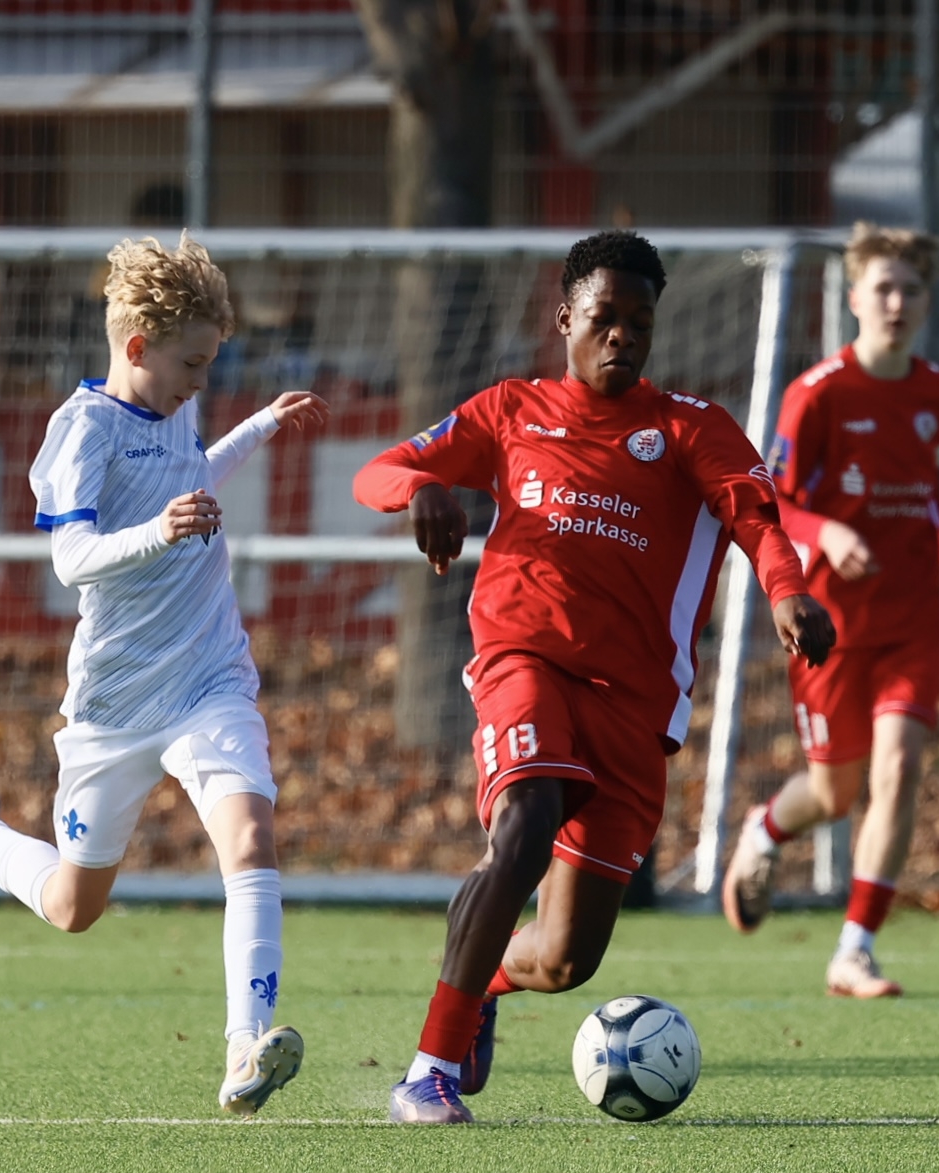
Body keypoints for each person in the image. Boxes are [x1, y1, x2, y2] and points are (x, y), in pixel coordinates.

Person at [353, 230, 835, 1124]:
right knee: (525, 823)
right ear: (565, 317)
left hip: (634, 708)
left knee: (566, 959)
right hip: (523, 661)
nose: (622, 336)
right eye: (604, 318)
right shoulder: (511, 409)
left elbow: (757, 520)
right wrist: (420, 489)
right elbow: (380, 470)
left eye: (639, 323)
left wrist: (788, 591)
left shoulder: (690, 427)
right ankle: (427, 1072)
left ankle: (483, 976)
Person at [0, 234, 330, 1116]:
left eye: (209, 365)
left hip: (209, 679)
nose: (201, 382)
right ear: (138, 347)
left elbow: (188, 472)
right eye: (193, 365)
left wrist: (258, 427)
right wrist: (163, 531)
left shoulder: (176, 406)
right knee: (73, 906)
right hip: (117, 701)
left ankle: (245, 1049)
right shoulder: (84, 427)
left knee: (251, 841)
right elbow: (73, 559)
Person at [720, 222, 939, 998]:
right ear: (854, 297)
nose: (897, 303)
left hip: (914, 620)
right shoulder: (818, 394)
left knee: (899, 767)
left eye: (911, 289)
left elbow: (928, 491)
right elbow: (771, 504)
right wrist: (828, 533)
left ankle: (855, 949)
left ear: (927, 301)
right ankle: (766, 827)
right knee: (834, 794)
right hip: (830, 625)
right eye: (883, 288)